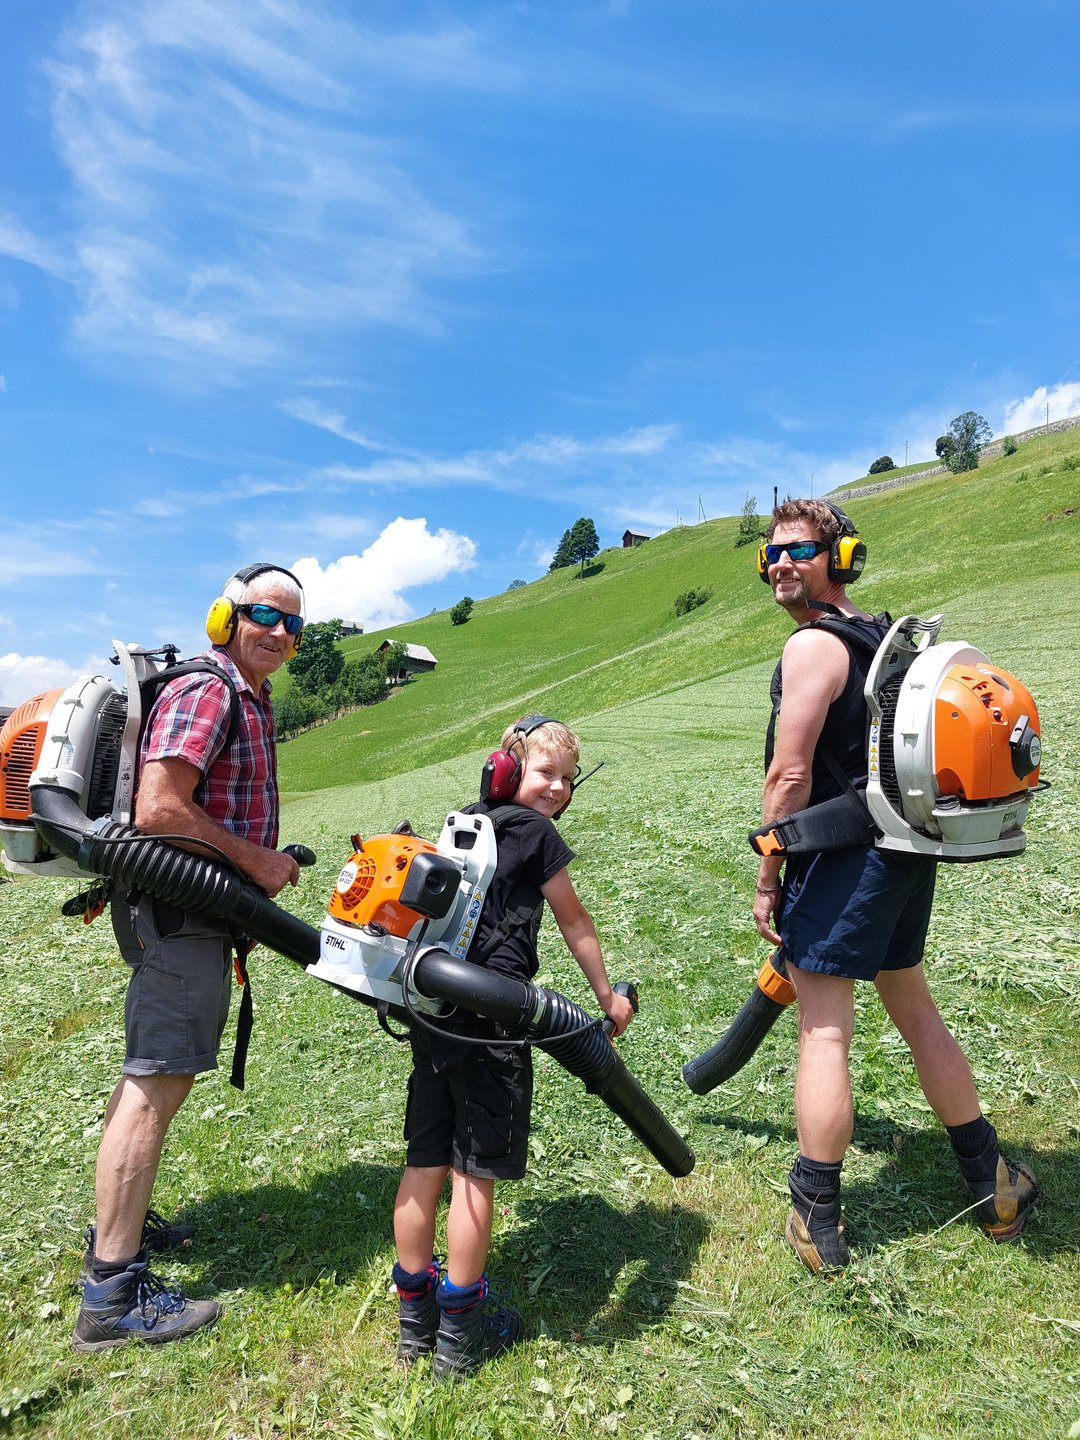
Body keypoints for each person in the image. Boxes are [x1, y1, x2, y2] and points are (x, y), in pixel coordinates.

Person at [753, 500, 1037, 1273]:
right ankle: (994, 1185)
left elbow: (789, 773)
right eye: (771, 554)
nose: (781, 564)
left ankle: (816, 1215)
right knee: (915, 1010)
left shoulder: (814, 646)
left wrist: (769, 871)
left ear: (841, 557)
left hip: (841, 858)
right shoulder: (885, 639)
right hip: (904, 852)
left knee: (824, 1032)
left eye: (800, 550)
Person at [72, 564, 305, 1350]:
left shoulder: (249, 695)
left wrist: (253, 875)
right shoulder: (211, 688)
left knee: (149, 1077)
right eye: (266, 614)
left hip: (193, 912)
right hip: (179, 913)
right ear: (225, 617)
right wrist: (257, 862)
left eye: (293, 624)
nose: (280, 632)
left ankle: (120, 1227)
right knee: (155, 1084)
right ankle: (111, 1296)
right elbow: (159, 808)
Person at [391, 716, 636, 1378]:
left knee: (425, 1161)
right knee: (474, 1172)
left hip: (434, 1012)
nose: (557, 788)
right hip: (494, 1018)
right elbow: (574, 918)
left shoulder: (465, 821)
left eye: (567, 778)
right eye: (545, 773)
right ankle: (460, 1337)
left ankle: (415, 1326)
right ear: (508, 769)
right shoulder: (535, 833)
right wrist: (608, 996)